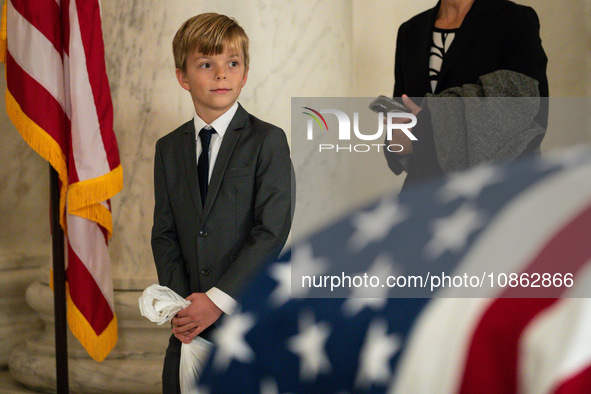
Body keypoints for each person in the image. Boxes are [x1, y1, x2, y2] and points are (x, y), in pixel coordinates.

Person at [151, 13, 293, 393]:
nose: (221, 75)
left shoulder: (267, 141)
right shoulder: (168, 149)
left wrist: (216, 300)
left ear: (245, 73)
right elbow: (164, 234)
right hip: (187, 327)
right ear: (183, 77)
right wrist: (181, 305)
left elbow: (271, 232)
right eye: (206, 64)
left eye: (232, 63)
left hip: (245, 320)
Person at [385, 0, 548, 188]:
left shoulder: (514, 19)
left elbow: (529, 112)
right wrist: (395, 143)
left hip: (493, 190)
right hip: (424, 191)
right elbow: (404, 113)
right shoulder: (410, 31)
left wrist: (424, 131)